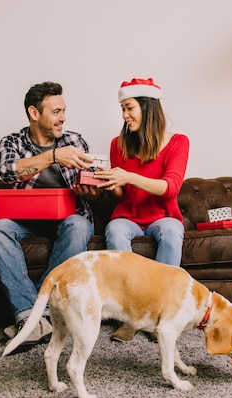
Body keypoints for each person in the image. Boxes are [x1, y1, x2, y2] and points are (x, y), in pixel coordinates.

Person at [0, 81, 100, 351]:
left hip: (68, 217)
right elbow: (8, 171)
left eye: (64, 110)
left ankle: (32, 316)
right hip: (24, 218)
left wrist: (91, 189)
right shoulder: (11, 142)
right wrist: (53, 156)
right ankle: (32, 316)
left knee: (79, 225)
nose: (63, 117)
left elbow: (92, 185)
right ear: (34, 113)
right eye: (56, 111)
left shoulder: (74, 140)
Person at [94, 77, 190, 342]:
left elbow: (170, 188)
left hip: (162, 215)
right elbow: (120, 195)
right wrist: (110, 183)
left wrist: (128, 176)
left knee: (172, 230)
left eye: (129, 108)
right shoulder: (118, 144)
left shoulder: (178, 142)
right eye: (122, 109)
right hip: (128, 215)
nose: (125, 115)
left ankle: (162, 313)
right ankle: (131, 315)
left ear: (147, 108)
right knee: (114, 229)